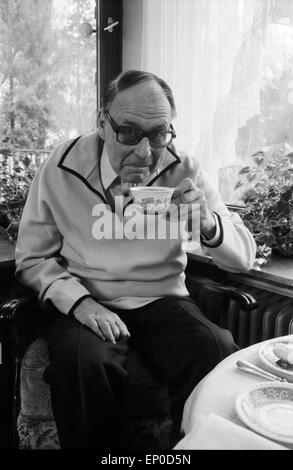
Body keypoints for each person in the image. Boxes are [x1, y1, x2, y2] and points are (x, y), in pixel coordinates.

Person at [15, 70, 256, 450]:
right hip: (87, 297)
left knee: (215, 348)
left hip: (163, 298)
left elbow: (242, 258)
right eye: (128, 132)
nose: (145, 152)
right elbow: (31, 258)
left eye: (159, 134)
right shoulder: (61, 167)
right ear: (102, 123)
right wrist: (79, 303)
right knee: (83, 365)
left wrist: (207, 223)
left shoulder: (185, 170)